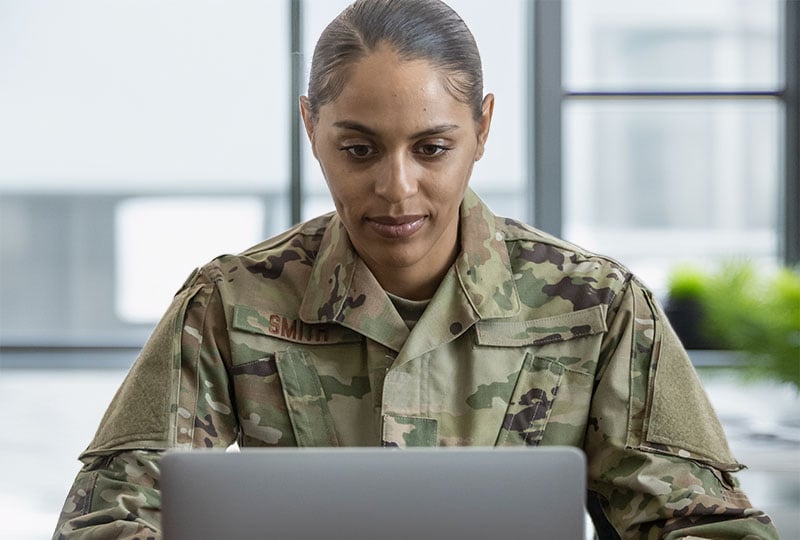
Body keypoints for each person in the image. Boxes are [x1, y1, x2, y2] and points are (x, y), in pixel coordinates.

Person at [54, 0, 779, 538]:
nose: (396, 189)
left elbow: (702, 525)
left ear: (483, 129)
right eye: (360, 150)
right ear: (311, 128)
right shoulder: (229, 302)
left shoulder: (599, 306)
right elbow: (109, 516)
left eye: (432, 148)